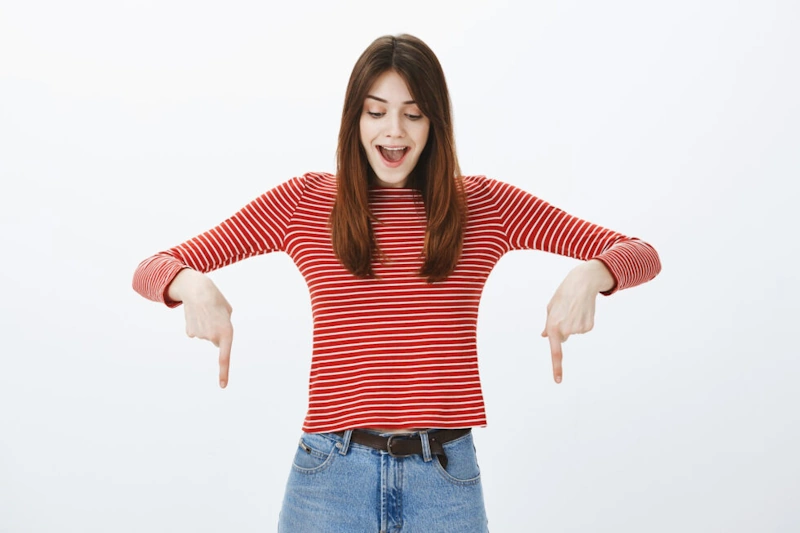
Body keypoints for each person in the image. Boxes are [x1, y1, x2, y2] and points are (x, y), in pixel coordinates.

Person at [132, 33, 661, 532]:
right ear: (354, 119)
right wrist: (192, 285)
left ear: (434, 123)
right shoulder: (307, 203)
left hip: (445, 481)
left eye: (413, 114)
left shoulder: (484, 206)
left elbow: (641, 253)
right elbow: (153, 267)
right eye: (376, 112)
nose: (394, 131)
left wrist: (594, 273)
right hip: (328, 480)